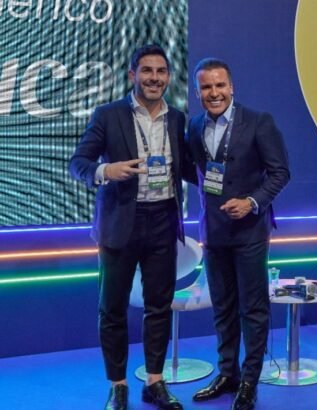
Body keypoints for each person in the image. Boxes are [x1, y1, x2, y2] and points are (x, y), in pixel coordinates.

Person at [69, 44, 187, 410]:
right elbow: (79, 163)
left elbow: (188, 165)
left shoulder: (177, 118)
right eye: (147, 71)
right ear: (132, 75)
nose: (154, 78)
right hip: (121, 221)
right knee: (113, 309)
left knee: (159, 306)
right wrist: (107, 170)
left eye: (161, 71)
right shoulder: (108, 115)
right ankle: (117, 385)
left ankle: (154, 382)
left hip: (163, 220)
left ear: (168, 77)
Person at [185, 58, 290, 410]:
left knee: (253, 308)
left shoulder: (259, 122)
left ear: (231, 87)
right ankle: (227, 374)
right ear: (198, 92)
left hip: (250, 230)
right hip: (214, 231)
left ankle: (249, 381)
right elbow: (192, 170)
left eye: (220, 85)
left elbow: (280, 173)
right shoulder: (194, 126)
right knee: (223, 307)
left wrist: (251, 201)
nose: (214, 93)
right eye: (206, 87)